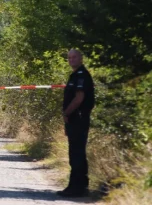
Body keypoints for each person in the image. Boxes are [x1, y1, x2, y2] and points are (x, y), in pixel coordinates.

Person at [58, 49, 95, 198]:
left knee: (77, 153)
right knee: (75, 153)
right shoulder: (74, 75)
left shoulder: (81, 75)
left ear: (81, 59)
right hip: (74, 120)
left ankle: (78, 188)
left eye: (74, 57)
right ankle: (75, 185)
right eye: (69, 58)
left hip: (78, 119)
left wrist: (67, 112)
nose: (71, 60)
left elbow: (79, 98)